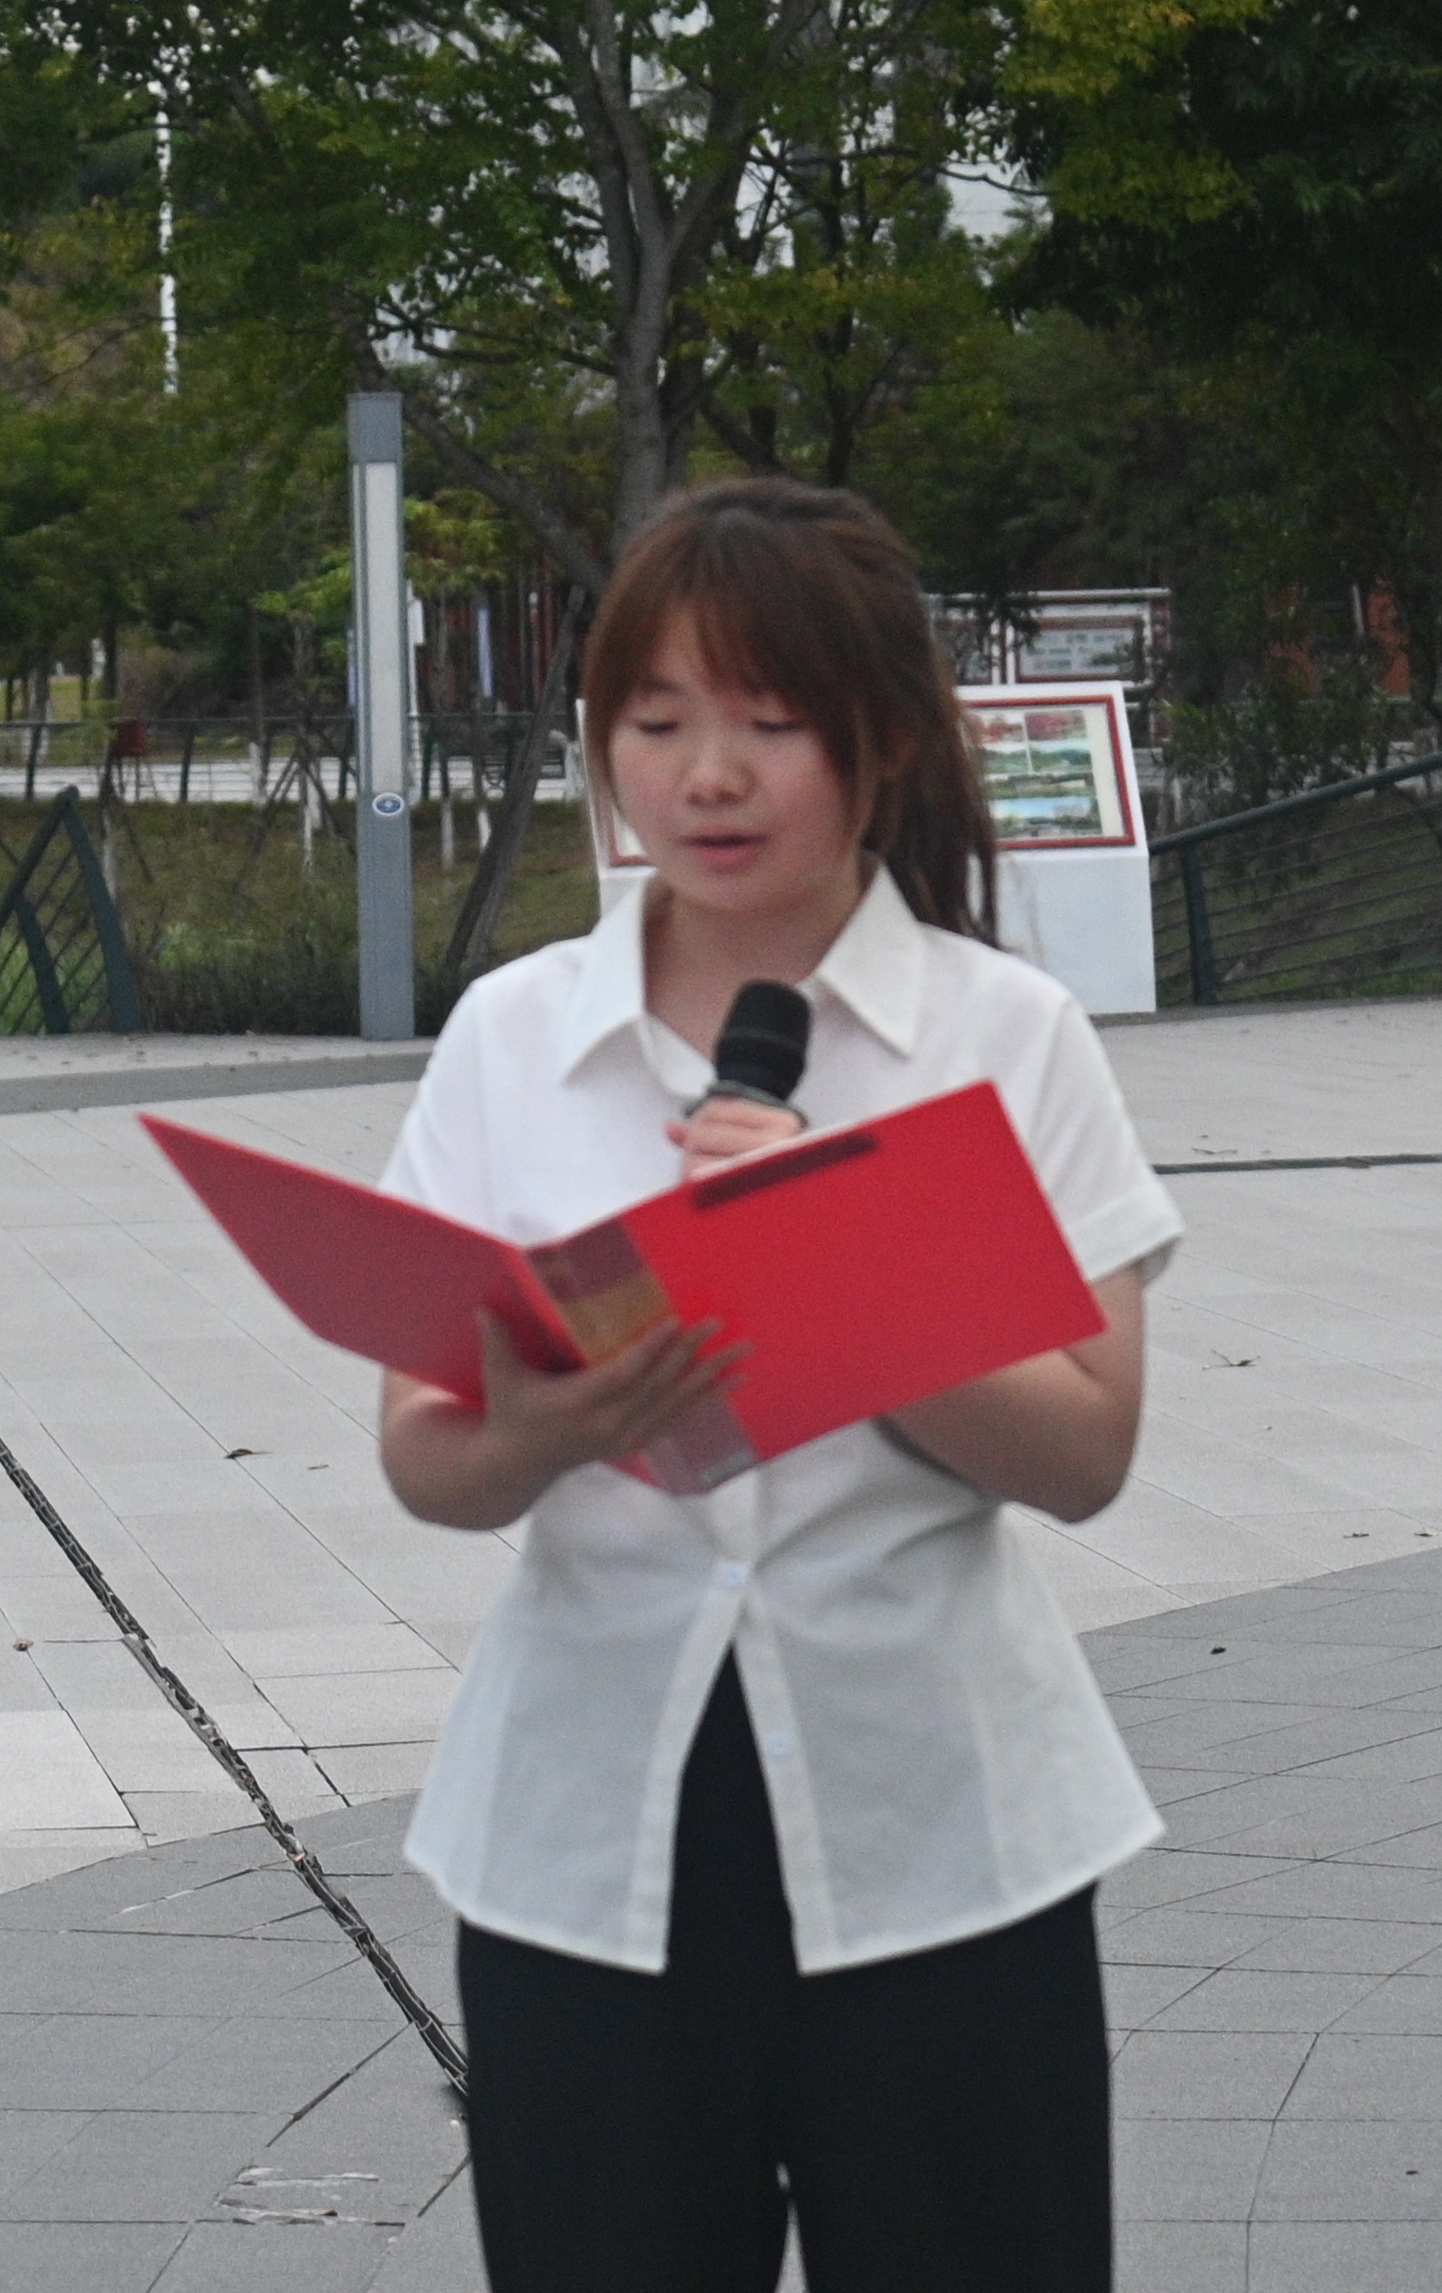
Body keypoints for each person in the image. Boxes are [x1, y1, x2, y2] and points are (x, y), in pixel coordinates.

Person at [373, 478, 1184, 2293]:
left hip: (945, 1840)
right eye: (657, 723)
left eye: (768, 722)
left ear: (881, 743)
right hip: (585, 1846)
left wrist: (840, 1268)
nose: (708, 777)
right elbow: (425, 1457)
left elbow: (1087, 1449)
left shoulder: (1005, 1036)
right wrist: (547, 1428)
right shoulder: (515, 1036)